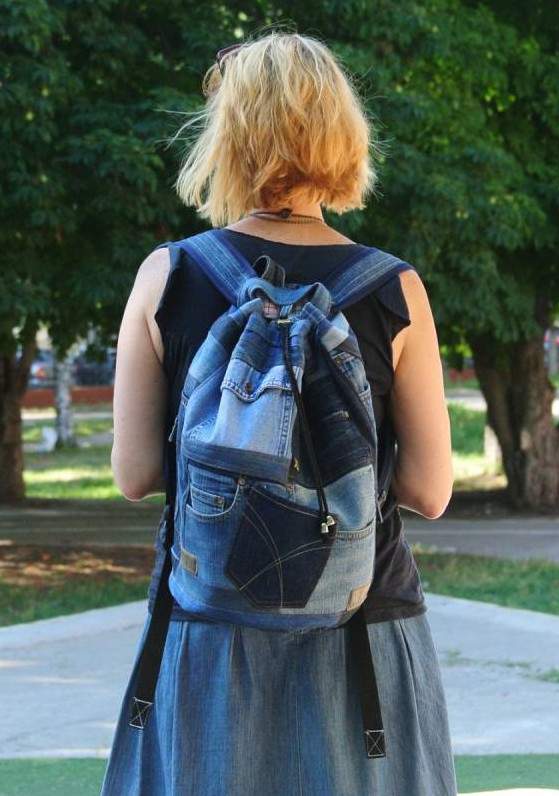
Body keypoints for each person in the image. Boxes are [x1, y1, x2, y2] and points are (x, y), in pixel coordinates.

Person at [100, 30, 457, 796]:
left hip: (208, 632)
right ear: (342, 136)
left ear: (226, 138)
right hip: (362, 632)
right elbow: (430, 492)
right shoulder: (395, 289)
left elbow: (134, 474)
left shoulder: (168, 275)